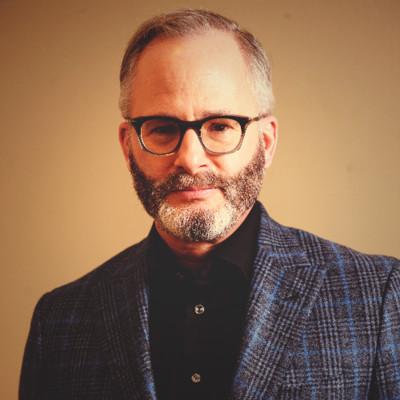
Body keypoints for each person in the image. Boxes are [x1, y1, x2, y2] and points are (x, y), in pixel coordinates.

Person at [20, 9, 400, 400]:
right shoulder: (58, 320)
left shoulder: (380, 296)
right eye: (163, 128)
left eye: (219, 126)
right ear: (128, 146)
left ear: (266, 142)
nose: (190, 159)